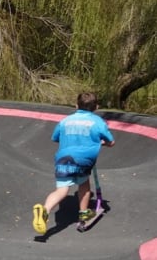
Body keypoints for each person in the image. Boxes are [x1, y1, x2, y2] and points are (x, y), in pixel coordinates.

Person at [32, 92, 115, 235]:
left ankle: (44, 210)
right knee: (84, 184)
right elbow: (111, 142)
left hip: (64, 157)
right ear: (96, 107)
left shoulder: (65, 121)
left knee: (61, 190)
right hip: (84, 159)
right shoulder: (98, 121)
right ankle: (83, 213)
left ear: (76, 106)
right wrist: (102, 143)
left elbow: (55, 138)